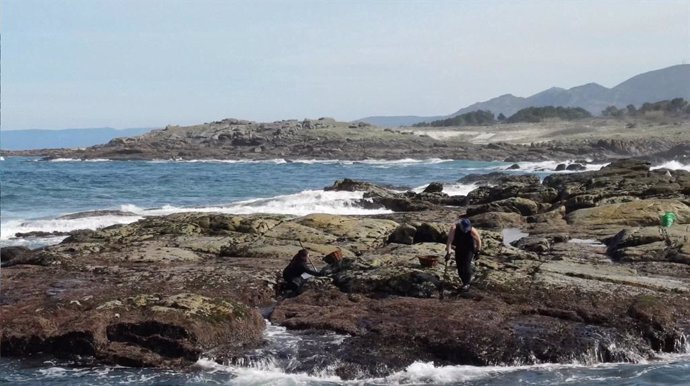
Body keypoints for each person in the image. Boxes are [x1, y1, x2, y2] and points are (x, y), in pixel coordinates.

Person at [446, 218, 482, 291]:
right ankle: (464, 282)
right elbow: (449, 241)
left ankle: (467, 283)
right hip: (459, 247)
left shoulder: (472, 230)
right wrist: (448, 253)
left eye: (467, 229)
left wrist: (478, 251)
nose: (466, 230)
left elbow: (478, 240)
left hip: (469, 248)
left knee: (466, 265)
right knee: (459, 266)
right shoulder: (454, 228)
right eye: (464, 229)